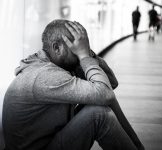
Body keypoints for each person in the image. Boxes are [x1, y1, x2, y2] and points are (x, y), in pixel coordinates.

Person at [2, 19, 145, 150]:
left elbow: (111, 83)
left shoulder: (60, 64)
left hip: (49, 141)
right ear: (57, 48)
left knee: (103, 100)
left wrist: (87, 54)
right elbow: (106, 93)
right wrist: (83, 56)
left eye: (81, 46)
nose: (79, 52)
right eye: (75, 48)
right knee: (99, 115)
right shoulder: (44, 75)